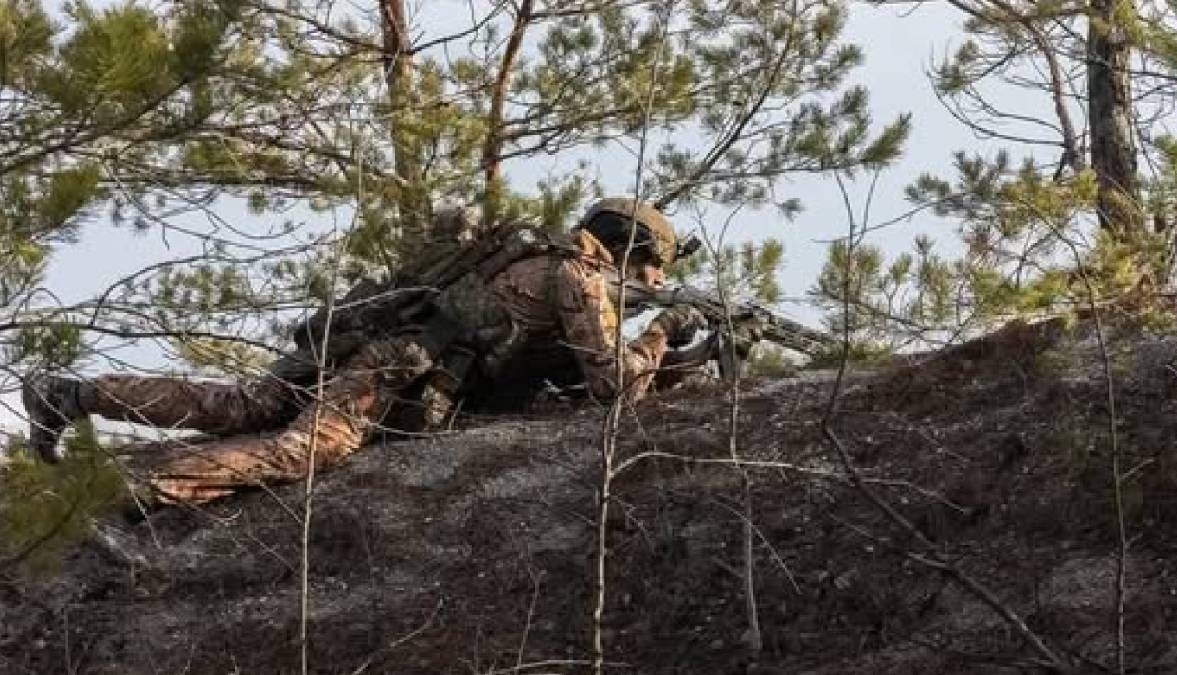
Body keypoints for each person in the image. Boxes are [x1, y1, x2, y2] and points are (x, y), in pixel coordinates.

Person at [20, 198, 709, 505]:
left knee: (240, 402)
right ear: (626, 249)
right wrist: (661, 331)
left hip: (362, 338)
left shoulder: (530, 247)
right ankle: (131, 490)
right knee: (306, 449)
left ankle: (70, 393)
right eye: (651, 269)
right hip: (391, 366)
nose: (650, 281)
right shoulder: (579, 279)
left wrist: (678, 357)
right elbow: (613, 388)